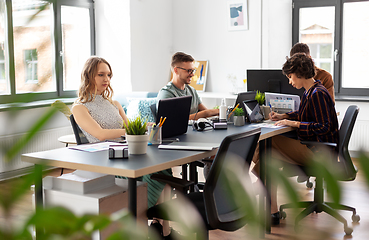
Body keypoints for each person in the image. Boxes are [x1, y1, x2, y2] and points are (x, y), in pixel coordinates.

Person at [72, 56, 174, 238]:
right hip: (106, 159)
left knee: (163, 170)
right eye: (101, 75)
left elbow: (131, 129)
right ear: (88, 76)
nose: (106, 80)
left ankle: (160, 228)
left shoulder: (114, 103)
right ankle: (154, 227)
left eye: (109, 75)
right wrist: (131, 131)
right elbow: (100, 135)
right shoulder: (79, 108)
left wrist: (145, 128)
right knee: (153, 172)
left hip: (128, 153)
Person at [252, 53, 339, 225]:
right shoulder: (312, 91)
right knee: (270, 157)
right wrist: (284, 116)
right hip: (315, 149)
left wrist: (295, 124)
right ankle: (272, 212)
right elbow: (305, 113)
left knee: (268, 142)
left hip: (321, 153)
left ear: (299, 73)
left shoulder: (318, 94)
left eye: (290, 77)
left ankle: (256, 182)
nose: (290, 82)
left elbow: (324, 127)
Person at [157, 52, 219, 120]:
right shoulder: (166, 93)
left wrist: (220, 113)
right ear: (176, 70)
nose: (192, 74)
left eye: (193, 71)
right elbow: (172, 121)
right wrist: (206, 113)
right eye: (189, 71)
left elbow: (206, 112)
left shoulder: (192, 91)